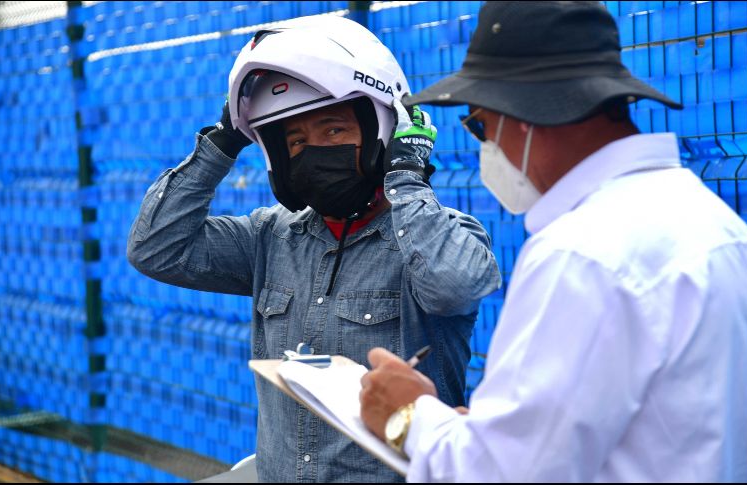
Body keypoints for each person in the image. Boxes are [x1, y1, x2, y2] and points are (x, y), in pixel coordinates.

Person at [359, 1, 747, 482]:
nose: (486, 147)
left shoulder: (582, 254)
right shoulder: (722, 229)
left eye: (480, 125)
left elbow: (500, 474)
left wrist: (410, 415)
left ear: (523, 116)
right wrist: (483, 433)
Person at [126, 15, 501, 483]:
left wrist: (406, 175)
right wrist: (224, 139)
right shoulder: (269, 236)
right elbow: (156, 247)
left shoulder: (441, 236)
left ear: (383, 134)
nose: (313, 150)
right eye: (296, 142)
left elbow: (455, 287)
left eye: (333, 132)